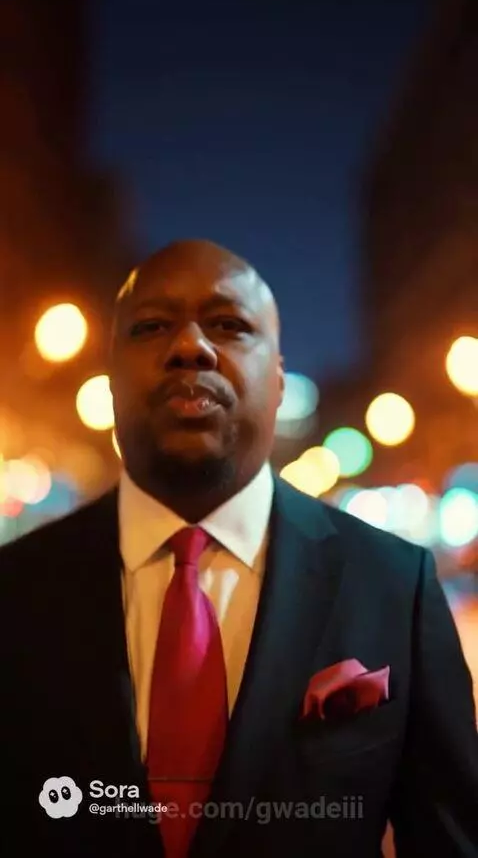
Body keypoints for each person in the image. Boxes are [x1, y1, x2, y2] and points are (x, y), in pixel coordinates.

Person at [0, 238, 477, 858]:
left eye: (228, 325)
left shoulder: (395, 586)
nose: (190, 347)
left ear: (278, 380)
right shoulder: (16, 590)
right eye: (151, 327)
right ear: (110, 379)